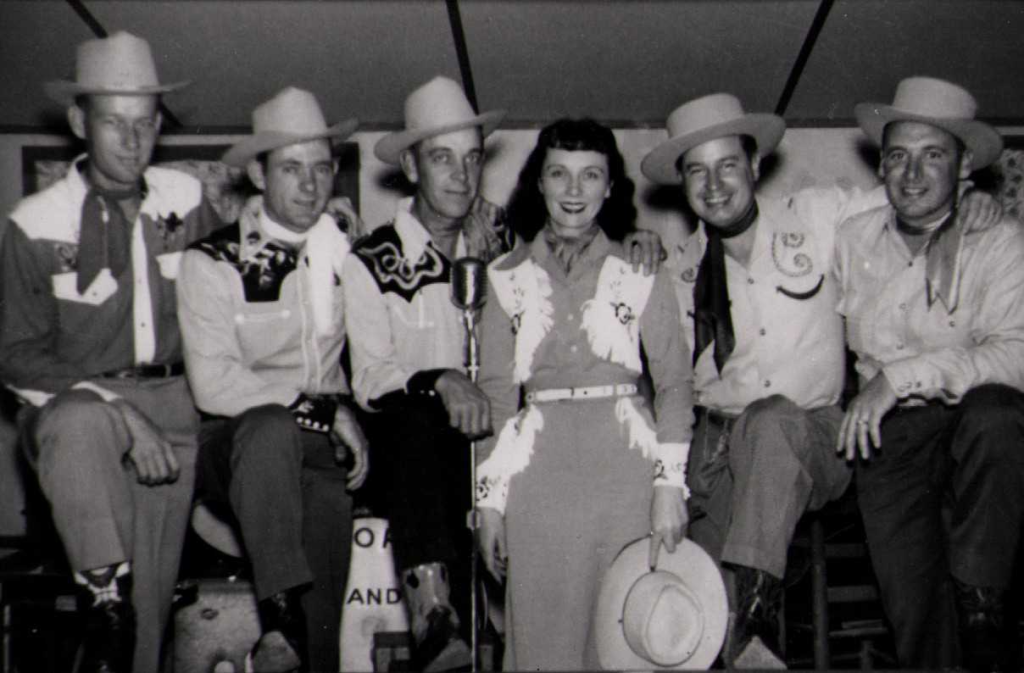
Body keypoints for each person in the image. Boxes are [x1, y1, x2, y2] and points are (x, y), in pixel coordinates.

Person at [639, 92, 998, 668]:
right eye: (696, 171)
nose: (714, 185)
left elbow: (916, 191)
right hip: (719, 452)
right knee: (690, 620)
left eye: (728, 165)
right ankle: (739, 640)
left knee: (772, 420)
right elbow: (666, 383)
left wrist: (971, 200)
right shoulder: (672, 272)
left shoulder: (823, 216)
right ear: (681, 184)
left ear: (755, 167)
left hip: (814, 434)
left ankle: (753, 621)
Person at [343, 76, 665, 670]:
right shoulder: (370, 259)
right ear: (411, 168)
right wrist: (437, 379)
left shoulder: (505, 244)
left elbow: (579, 244)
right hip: (417, 449)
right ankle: (434, 613)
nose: (461, 176)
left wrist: (636, 239)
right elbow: (370, 376)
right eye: (442, 159)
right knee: (415, 427)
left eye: (471, 159)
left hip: (500, 440)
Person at [0, 32, 223, 673]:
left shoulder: (186, 202)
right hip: (77, 405)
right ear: (79, 122)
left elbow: (223, 306)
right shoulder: (36, 222)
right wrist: (119, 410)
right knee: (78, 422)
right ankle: (103, 602)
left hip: (176, 409)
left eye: (145, 125)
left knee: (143, 632)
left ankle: (117, 625)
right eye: (113, 123)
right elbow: (15, 355)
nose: (131, 142)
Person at [474, 118, 692, 670]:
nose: (574, 191)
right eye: (560, 175)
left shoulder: (641, 267)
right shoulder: (504, 277)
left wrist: (670, 486)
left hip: (626, 472)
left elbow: (674, 383)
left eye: (590, 175)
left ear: (610, 187)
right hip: (537, 475)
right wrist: (490, 505)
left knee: (624, 634)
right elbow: (498, 398)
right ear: (539, 184)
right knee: (543, 635)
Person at [176, 87, 369, 673]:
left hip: (319, 459)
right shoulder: (211, 261)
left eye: (320, 169)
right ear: (258, 176)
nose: (309, 187)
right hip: (236, 447)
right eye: (291, 169)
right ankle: (278, 617)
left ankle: (297, 639)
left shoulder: (347, 254)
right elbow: (212, 385)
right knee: (268, 427)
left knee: (326, 635)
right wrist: (318, 408)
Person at [835, 76, 1024, 672]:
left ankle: (981, 596)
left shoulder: (1000, 242)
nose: (912, 175)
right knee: (916, 617)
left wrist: (903, 377)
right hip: (889, 443)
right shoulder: (852, 237)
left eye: (933, 155)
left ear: (964, 165)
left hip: (978, 437)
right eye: (898, 156)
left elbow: (1016, 356)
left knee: (995, 413)